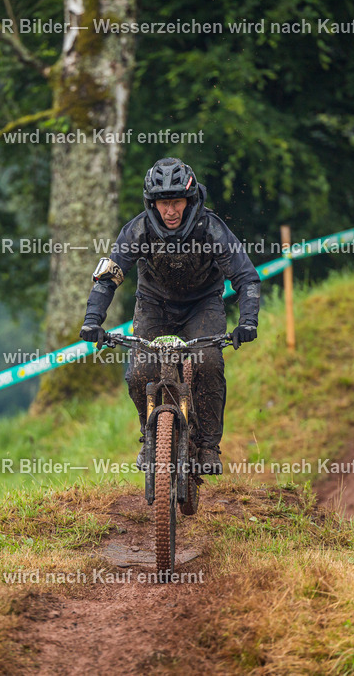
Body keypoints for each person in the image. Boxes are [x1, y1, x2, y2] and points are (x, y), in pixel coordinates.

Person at [79, 157, 260, 475]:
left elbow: (245, 277)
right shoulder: (138, 229)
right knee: (139, 373)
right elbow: (110, 275)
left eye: (176, 202)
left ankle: (207, 446)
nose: (171, 211)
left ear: (189, 200)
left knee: (209, 362)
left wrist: (248, 321)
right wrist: (93, 319)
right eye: (164, 203)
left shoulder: (211, 227)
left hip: (202, 305)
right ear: (152, 203)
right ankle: (150, 440)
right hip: (153, 306)